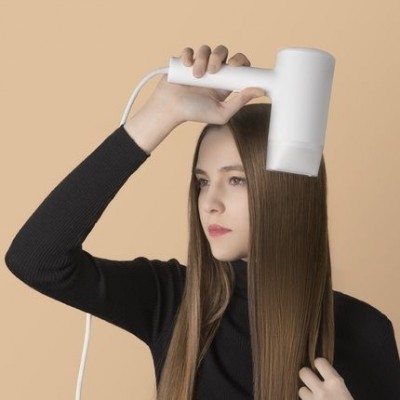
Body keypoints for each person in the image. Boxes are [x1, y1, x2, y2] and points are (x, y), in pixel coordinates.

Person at [5, 45, 400, 400]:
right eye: (202, 182)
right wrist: (162, 113)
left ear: (287, 190)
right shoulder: (174, 301)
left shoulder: (365, 333)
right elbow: (36, 259)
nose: (209, 203)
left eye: (236, 180)